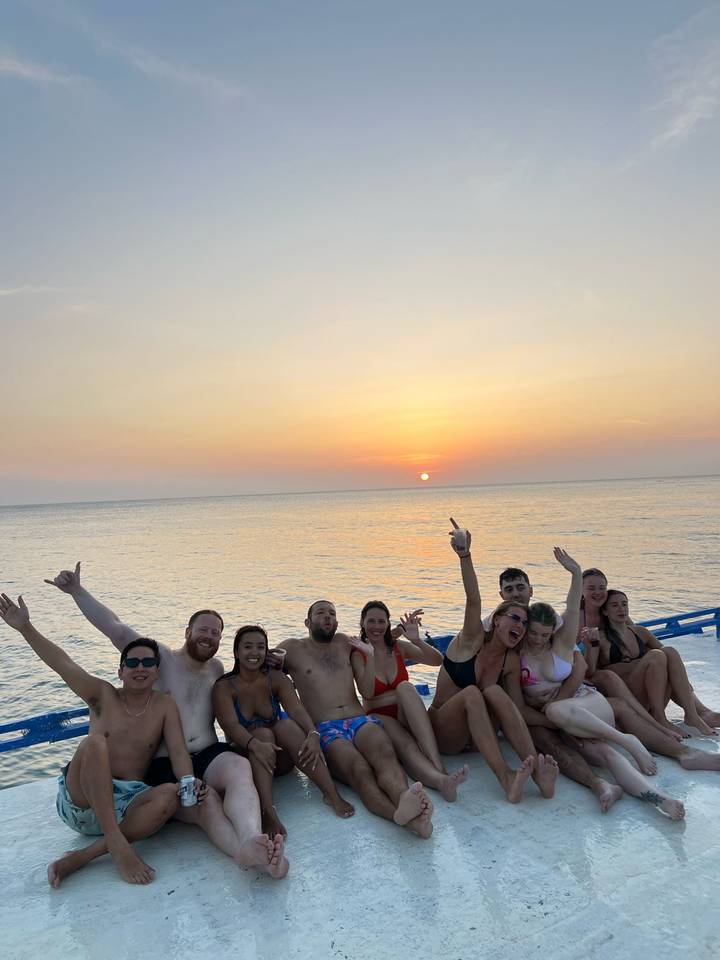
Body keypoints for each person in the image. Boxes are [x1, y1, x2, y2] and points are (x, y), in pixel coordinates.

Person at [44, 562, 287, 878]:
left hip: (209, 752)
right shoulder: (160, 659)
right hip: (166, 764)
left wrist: (275, 658)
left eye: (216, 632)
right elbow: (113, 627)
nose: (209, 636)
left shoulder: (217, 669)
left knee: (240, 769)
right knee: (207, 801)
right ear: (187, 632)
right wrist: (77, 591)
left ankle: (253, 838)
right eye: (203, 628)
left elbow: (252, 670)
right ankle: (242, 850)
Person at [0, 592, 200, 887]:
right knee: (94, 743)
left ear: (157, 671)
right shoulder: (102, 695)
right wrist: (25, 627)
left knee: (170, 794)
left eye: (147, 662)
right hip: (82, 799)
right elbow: (62, 663)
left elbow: (179, 751)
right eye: (132, 662)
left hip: (127, 803)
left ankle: (83, 856)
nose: (140, 667)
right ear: (120, 671)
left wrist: (188, 785)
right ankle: (118, 847)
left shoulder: (163, 706)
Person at [507, 551, 685, 820]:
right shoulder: (514, 648)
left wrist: (576, 574)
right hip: (569, 719)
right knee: (605, 756)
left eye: (544, 633)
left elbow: (570, 608)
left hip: (587, 705)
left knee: (557, 712)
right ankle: (660, 799)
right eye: (533, 633)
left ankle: (628, 740)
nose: (538, 639)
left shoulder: (560, 642)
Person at [277, 600, 434, 837]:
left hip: (360, 720)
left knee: (385, 757)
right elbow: (261, 661)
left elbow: (378, 637)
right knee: (359, 770)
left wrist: (402, 630)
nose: (327, 617)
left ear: (337, 622)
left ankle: (404, 798)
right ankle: (404, 819)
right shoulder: (291, 648)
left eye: (332, 613)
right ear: (307, 622)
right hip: (327, 727)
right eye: (320, 613)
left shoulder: (343, 642)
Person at [427, 520, 559, 804]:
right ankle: (505, 777)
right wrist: (465, 555)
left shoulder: (510, 660)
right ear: (496, 620)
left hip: (479, 738)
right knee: (473, 691)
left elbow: (517, 710)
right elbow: (473, 600)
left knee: (495, 692)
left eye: (525, 623)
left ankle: (535, 772)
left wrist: (559, 719)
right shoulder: (472, 640)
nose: (521, 626)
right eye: (514, 618)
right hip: (446, 733)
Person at [213, 624, 354, 837]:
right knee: (262, 733)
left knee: (285, 725)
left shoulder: (276, 678)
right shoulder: (224, 687)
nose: (254, 653)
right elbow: (230, 726)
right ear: (236, 652)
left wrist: (313, 734)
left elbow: (296, 708)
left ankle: (330, 793)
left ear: (267, 651)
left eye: (261, 647)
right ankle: (267, 811)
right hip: (249, 760)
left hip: (281, 760)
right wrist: (256, 745)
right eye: (248, 647)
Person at [351, 603, 469, 801]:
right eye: (371, 621)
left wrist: (416, 640)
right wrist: (370, 656)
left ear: (388, 624)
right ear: (362, 623)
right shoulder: (358, 653)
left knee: (405, 687)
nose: (376, 626)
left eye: (381, 621)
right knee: (408, 746)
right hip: (379, 717)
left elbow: (437, 660)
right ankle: (441, 781)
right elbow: (368, 694)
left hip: (406, 714)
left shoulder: (397, 648)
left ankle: (436, 762)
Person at [595, 588, 720, 737]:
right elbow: (594, 673)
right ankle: (660, 718)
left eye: (624, 604)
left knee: (669, 651)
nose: (621, 609)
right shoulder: (600, 638)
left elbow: (671, 660)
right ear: (605, 611)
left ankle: (692, 715)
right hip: (630, 698)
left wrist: (684, 684)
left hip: (653, 697)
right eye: (614, 605)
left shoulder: (640, 632)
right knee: (656, 656)